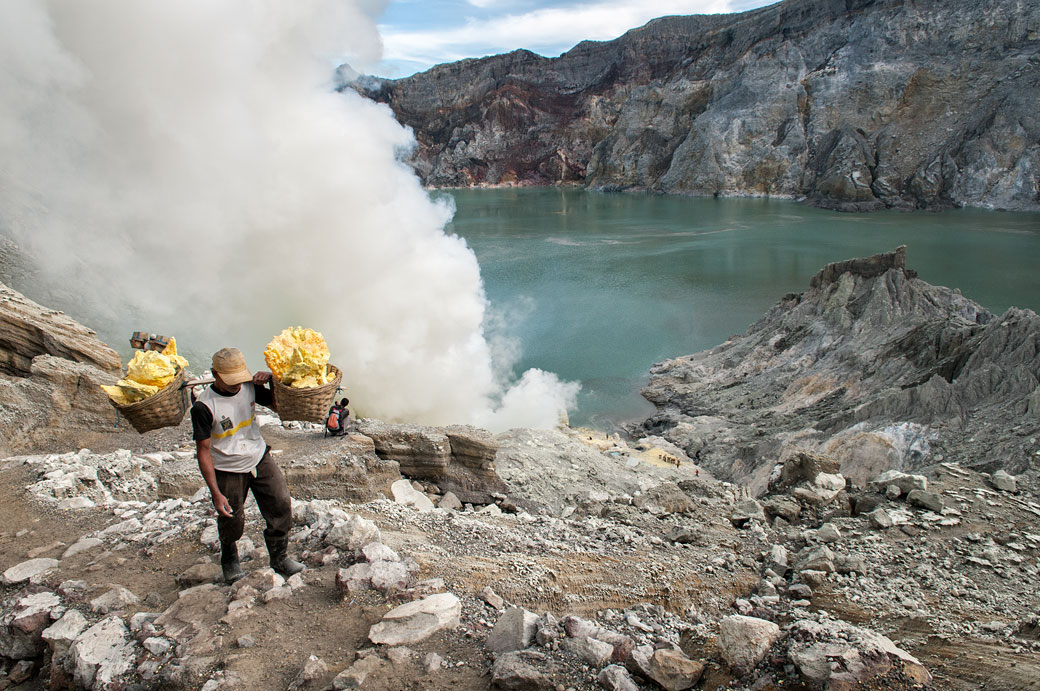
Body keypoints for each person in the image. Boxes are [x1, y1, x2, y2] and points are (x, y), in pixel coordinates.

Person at [191, 347, 304, 584]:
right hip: (227, 467)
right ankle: (230, 558)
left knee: (280, 502)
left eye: (238, 379)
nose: (236, 385)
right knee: (231, 516)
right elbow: (203, 452)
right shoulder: (204, 406)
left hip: (258, 456)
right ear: (214, 374)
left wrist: (273, 381)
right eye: (229, 380)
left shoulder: (249, 387)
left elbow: (278, 406)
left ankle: (279, 557)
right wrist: (215, 493)